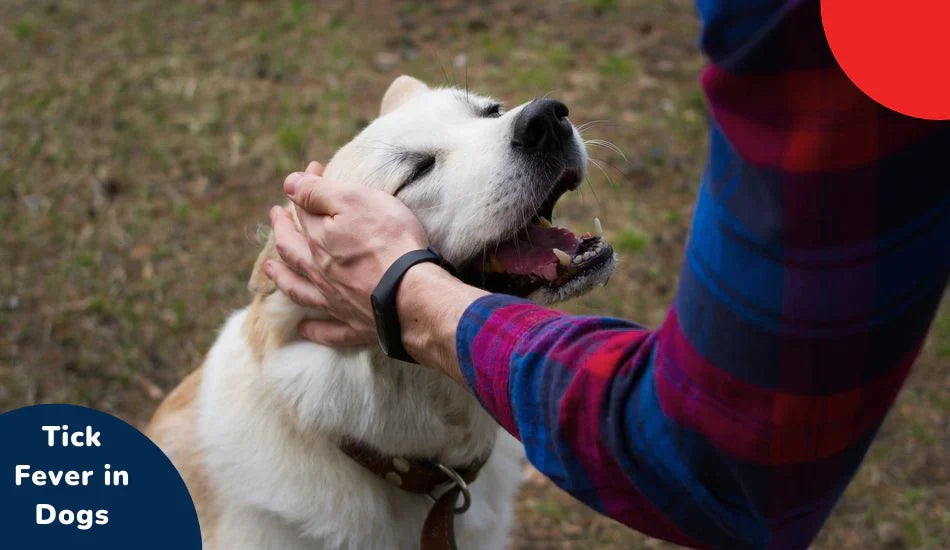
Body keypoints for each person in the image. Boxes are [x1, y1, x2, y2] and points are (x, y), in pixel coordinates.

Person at [263, 1, 949, 548]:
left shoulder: (815, 34)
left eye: (490, 113)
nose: (529, 119)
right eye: (419, 168)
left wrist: (411, 295)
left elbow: (707, 456)